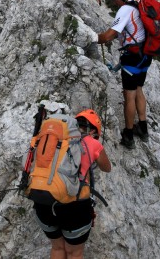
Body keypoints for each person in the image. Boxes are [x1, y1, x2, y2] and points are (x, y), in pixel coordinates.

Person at [33, 109, 112, 259]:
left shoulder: (57, 140)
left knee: (57, 248)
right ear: (94, 131)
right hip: (74, 207)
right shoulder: (93, 143)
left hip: (44, 201)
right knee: (74, 253)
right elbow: (107, 168)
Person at [94, 0, 151, 149]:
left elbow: (109, 36)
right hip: (146, 55)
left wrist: (94, 37)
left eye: (114, 1)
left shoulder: (125, 9)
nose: (114, 5)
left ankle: (128, 134)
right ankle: (143, 127)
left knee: (129, 96)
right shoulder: (141, 2)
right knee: (139, 89)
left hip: (132, 57)